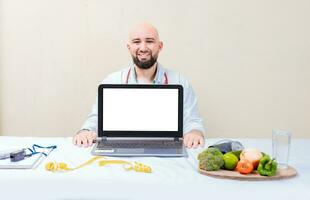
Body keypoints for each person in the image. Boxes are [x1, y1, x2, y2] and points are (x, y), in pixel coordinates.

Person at [73, 22, 205, 148]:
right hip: (122, 151)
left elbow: (192, 120)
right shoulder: (112, 81)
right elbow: (96, 118)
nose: (143, 48)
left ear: (160, 46)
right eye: (137, 42)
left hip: (165, 150)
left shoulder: (179, 81)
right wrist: (85, 131)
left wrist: (195, 132)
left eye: (149, 41)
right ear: (129, 47)